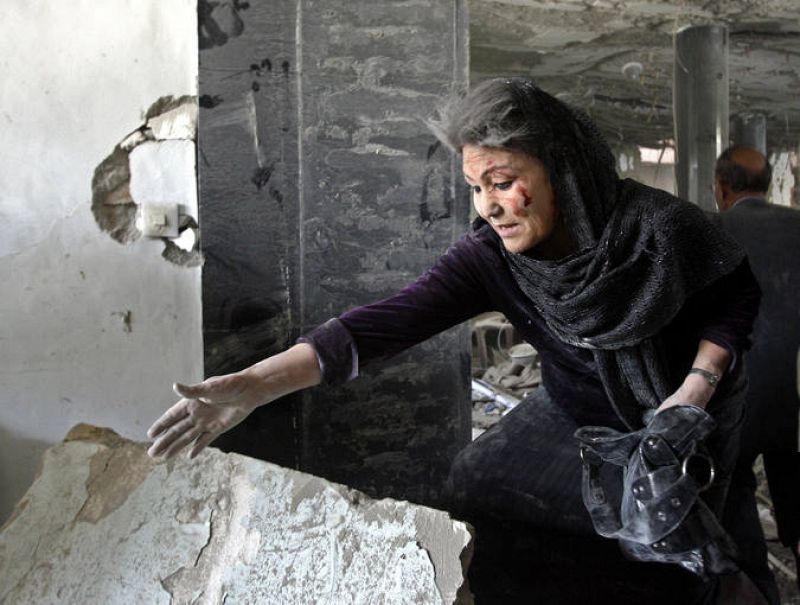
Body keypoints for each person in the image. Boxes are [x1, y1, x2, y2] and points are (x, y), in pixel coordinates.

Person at [147, 78, 764, 603]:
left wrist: (694, 390)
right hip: (576, 404)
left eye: (502, 181)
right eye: (476, 188)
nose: (490, 207)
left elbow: (735, 297)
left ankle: (730, 581)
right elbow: (382, 323)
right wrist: (255, 385)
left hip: (687, 406)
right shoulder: (492, 257)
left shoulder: (658, 227)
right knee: (480, 486)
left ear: (561, 170)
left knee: (681, 534)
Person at [715, 145, 800, 600]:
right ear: (769, 184)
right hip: (797, 391)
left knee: (736, 490)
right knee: (795, 482)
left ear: (721, 188)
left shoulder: (712, 229)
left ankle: (759, 588)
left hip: (737, 394)